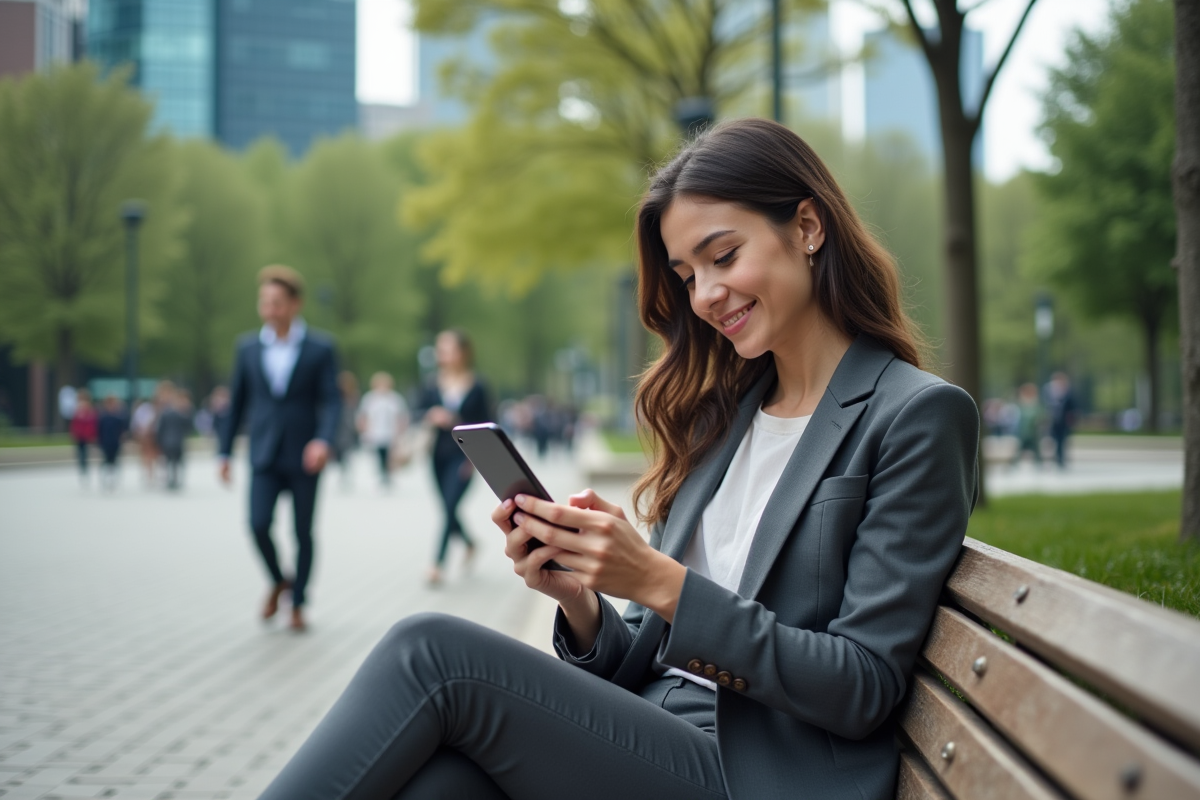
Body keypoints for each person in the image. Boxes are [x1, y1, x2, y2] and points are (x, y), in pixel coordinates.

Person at [257, 119, 979, 800]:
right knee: (441, 783)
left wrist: (662, 582)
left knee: (432, 652)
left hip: (762, 774)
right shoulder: (725, 415)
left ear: (809, 226)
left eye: (723, 256)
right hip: (661, 735)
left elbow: (862, 685)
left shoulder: (912, 415)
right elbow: (645, 653)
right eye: (688, 274)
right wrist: (582, 601)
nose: (705, 295)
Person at [218, 265, 340, 633]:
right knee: (257, 525)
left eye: (277, 303)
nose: (270, 310)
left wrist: (324, 440)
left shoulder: (321, 347)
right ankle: (277, 580)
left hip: (305, 455)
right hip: (264, 453)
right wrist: (223, 453)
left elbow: (333, 401)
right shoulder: (247, 348)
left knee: (303, 533)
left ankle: (299, 602)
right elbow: (236, 403)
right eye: (264, 303)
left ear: (295, 304)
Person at [418, 329, 490, 586]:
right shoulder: (431, 383)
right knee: (447, 507)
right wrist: (431, 415)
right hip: (437, 455)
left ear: (463, 352)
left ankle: (437, 564)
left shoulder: (478, 385)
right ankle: (470, 543)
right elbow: (418, 411)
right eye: (440, 350)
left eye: (448, 349)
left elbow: (487, 423)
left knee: (449, 507)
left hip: (465, 456)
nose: (443, 355)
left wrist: (475, 459)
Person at [357, 371, 410, 488]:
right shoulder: (369, 398)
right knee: (378, 455)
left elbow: (401, 416)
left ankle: (388, 475)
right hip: (374, 433)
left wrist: (401, 430)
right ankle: (381, 474)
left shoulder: (395, 399)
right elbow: (363, 416)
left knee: (389, 455)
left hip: (391, 433)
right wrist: (363, 429)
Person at [156, 384, 191, 491]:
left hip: (167, 441)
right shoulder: (180, 413)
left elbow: (160, 429)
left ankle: (171, 480)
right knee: (177, 462)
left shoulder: (165, 413)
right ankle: (176, 480)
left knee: (169, 462)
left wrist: (159, 440)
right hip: (178, 440)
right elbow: (188, 426)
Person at [96, 395, 128, 491]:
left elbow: (123, 430)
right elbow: (99, 430)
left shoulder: (119, 416)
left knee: (114, 461)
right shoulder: (103, 416)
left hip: (115, 442)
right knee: (106, 460)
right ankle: (106, 478)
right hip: (105, 442)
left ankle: (113, 479)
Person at [1045, 371, 1076, 469]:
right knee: (1054, 440)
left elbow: (1072, 405)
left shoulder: (1067, 391)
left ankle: (1060, 459)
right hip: (1053, 420)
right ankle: (1057, 458)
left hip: (1063, 421)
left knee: (1062, 441)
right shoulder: (1048, 391)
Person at [1010, 382, 1044, 467]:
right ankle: (1014, 465)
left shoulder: (1035, 404)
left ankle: (1039, 464)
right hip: (1023, 431)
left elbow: (1040, 416)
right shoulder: (1022, 403)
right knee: (1019, 449)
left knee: (1036, 450)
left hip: (1033, 431)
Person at [68, 389, 97, 485]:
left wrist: (91, 434)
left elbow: (92, 423)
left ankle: (85, 469)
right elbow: (74, 423)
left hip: (86, 435)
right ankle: (83, 468)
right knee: (80, 454)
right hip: (79, 435)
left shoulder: (89, 409)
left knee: (84, 454)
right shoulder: (77, 409)